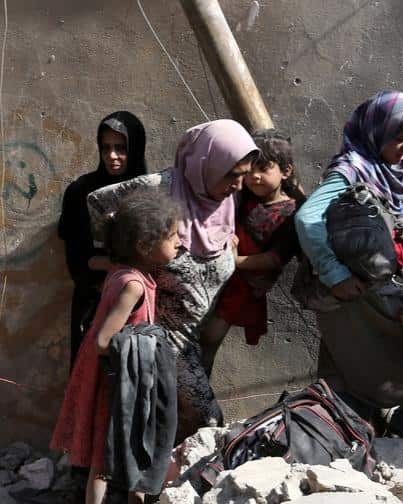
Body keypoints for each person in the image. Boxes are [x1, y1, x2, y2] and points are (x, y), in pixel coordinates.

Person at [87, 119, 259, 443]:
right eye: (232, 174)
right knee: (208, 419)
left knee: (175, 422)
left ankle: (164, 487)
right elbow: (97, 203)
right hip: (169, 335)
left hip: (201, 334)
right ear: (207, 163)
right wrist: (124, 256)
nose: (239, 184)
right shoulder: (162, 186)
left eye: (243, 174)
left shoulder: (222, 201)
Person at [51, 191, 183, 504]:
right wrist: (149, 344)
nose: (180, 243)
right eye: (172, 237)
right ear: (144, 244)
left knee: (108, 456)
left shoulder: (123, 272)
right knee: (116, 453)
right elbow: (106, 340)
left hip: (118, 379)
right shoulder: (132, 285)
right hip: (118, 384)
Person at [294, 90, 403, 422]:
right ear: (375, 133)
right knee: (354, 373)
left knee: (350, 373)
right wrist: (334, 274)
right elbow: (308, 218)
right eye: (400, 138)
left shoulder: (388, 168)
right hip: (347, 295)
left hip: (372, 292)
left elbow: (399, 208)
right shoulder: (351, 169)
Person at [202, 130, 305, 374]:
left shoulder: (290, 214)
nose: (254, 177)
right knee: (201, 339)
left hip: (243, 284)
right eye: (251, 169)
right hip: (216, 276)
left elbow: (274, 259)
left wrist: (234, 260)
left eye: (264, 169)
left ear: (286, 171)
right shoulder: (239, 195)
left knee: (209, 337)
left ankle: (198, 396)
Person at [58, 111, 148, 369]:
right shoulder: (81, 191)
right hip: (93, 301)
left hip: (139, 306)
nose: (112, 156)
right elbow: (76, 257)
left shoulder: (148, 191)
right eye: (105, 147)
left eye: (121, 148)